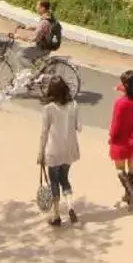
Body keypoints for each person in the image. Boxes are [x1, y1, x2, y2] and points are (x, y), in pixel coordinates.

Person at [38, 77, 82, 227]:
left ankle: (56, 214)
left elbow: (44, 133)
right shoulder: (74, 105)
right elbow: (79, 127)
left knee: (54, 181)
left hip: (53, 150)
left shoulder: (48, 108)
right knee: (65, 178)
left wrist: (40, 153)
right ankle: (70, 207)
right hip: (69, 149)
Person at [108, 70, 133, 210]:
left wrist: (111, 137)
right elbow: (131, 89)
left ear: (125, 84)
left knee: (119, 169)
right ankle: (128, 195)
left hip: (121, 138)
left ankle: (131, 192)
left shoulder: (120, 103)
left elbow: (115, 123)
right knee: (132, 166)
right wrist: (119, 87)